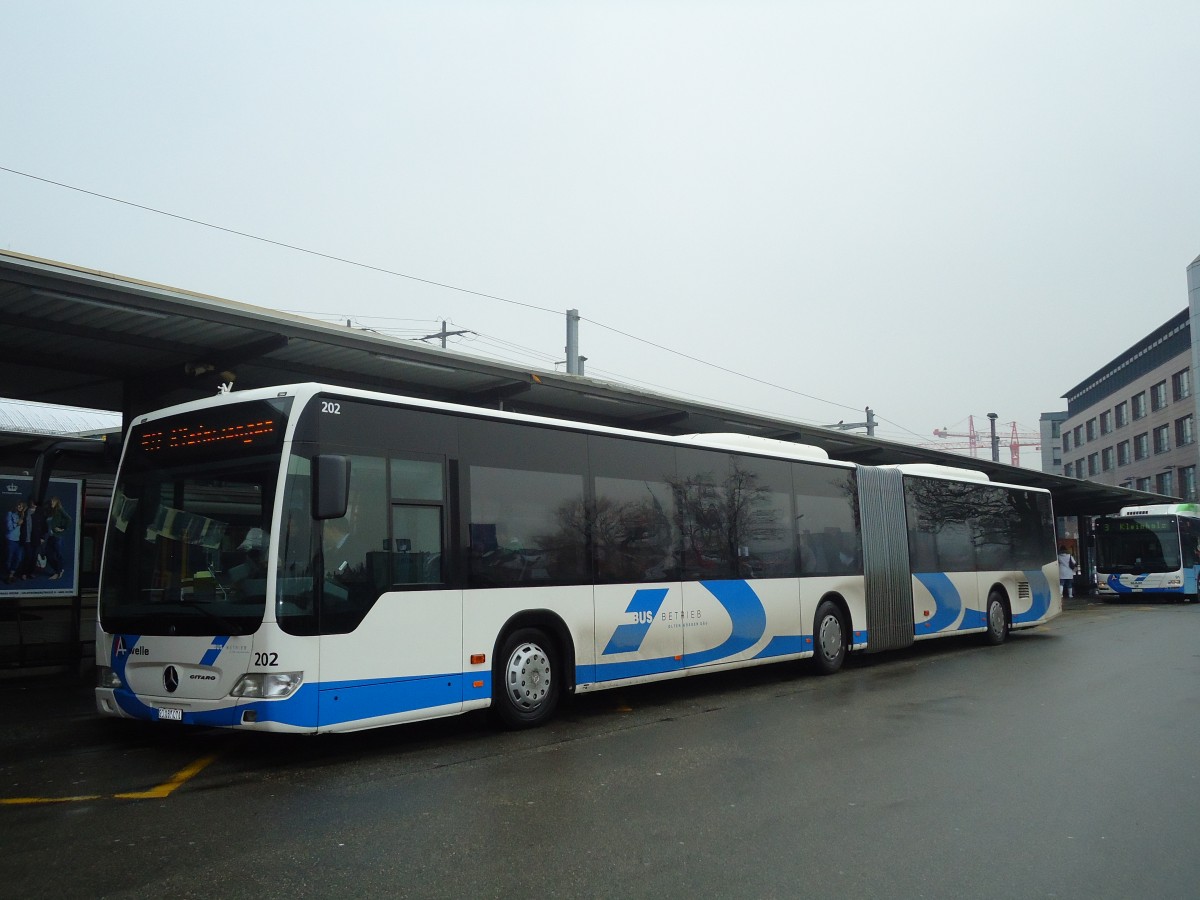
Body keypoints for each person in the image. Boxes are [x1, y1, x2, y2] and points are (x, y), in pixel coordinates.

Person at [44, 496, 72, 581]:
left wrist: (61, 527)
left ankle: (57, 572)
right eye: (51, 502)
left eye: (53, 502)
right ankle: (59, 570)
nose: (51, 503)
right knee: (48, 554)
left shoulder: (59, 510)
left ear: (57, 502)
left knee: (58, 554)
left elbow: (69, 519)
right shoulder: (50, 512)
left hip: (57, 537)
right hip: (51, 536)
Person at [4, 500, 25, 583]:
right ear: (16, 505)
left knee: (18, 558)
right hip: (11, 540)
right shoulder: (10, 513)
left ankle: (11, 575)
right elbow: (9, 527)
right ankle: (8, 574)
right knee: (9, 559)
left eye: (22, 506)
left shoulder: (22, 515)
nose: (20, 507)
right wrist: (17, 524)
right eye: (19, 505)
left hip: (19, 541)